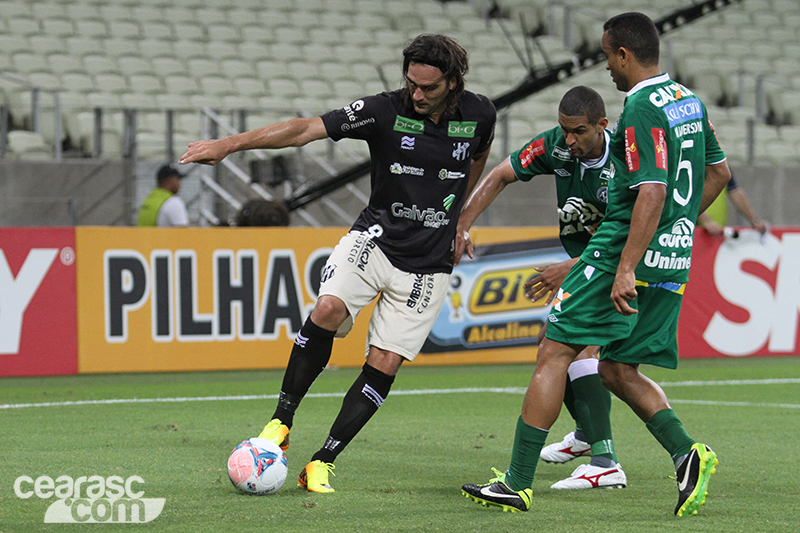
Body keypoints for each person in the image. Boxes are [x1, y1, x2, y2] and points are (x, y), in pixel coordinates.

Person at [180, 34, 496, 493]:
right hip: (376, 239)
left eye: (428, 87)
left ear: (453, 82)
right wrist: (229, 145)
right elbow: (304, 129)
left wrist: (461, 220)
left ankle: (322, 461)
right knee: (327, 308)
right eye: (411, 83)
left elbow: (479, 156)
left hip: (429, 262)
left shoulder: (481, 113)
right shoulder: (386, 109)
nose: (417, 94)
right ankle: (280, 423)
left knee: (385, 362)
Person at [462, 12, 731, 516]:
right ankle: (687, 452)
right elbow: (718, 171)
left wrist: (628, 262)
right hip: (672, 255)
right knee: (615, 368)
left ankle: (518, 482)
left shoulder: (641, 108)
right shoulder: (688, 102)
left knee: (555, 352)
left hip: (619, 253)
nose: (606, 66)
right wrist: (676, 224)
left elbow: (649, 189)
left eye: (608, 55)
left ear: (624, 55)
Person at [455, 85, 626, 490]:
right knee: (552, 345)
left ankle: (604, 458)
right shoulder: (559, 147)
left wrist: (570, 266)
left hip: (615, 266)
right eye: (564, 130)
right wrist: (461, 224)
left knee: (571, 346)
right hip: (586, 263)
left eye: (579, 132)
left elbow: (633, 229)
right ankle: (589, 436)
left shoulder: (625, 160)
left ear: (602, 125)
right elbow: (499, 175)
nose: (569, 141)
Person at [698, 174, 768, 236]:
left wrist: (754, 221)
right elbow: (689, 197)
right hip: (694, 231)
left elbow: (735, 192)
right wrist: (706, 221)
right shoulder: (694, 164)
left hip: (716, 231)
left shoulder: (721, 166)